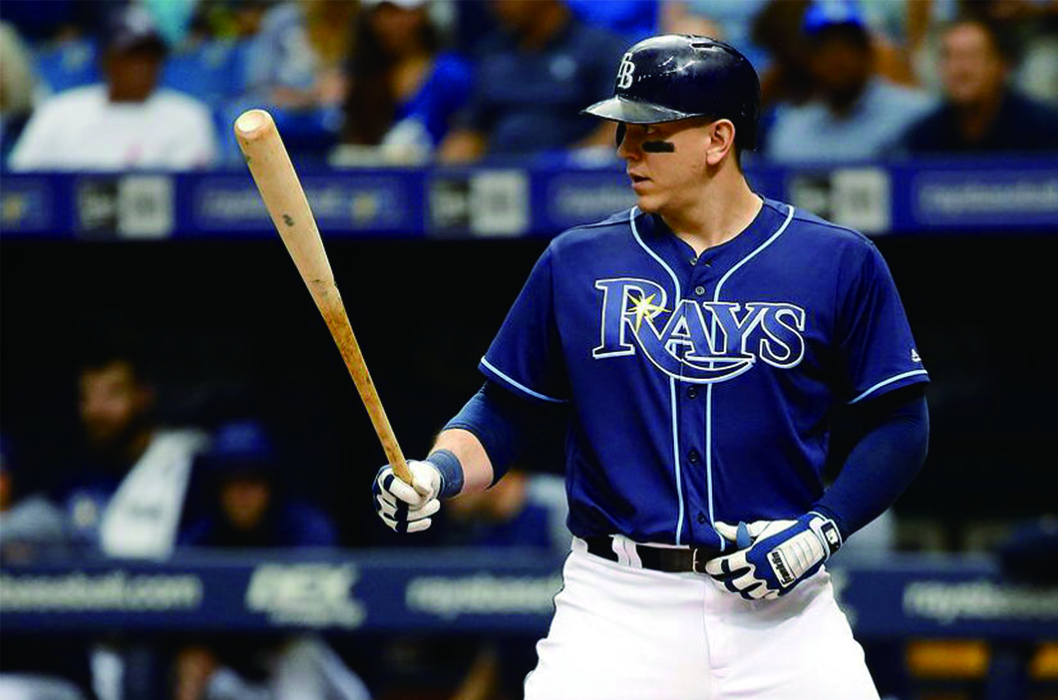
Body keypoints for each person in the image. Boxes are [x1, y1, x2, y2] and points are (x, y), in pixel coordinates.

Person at [374, 34, 930, 699]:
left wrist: (821, 529)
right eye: (623, 130)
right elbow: (506, 408)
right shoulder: (576, 260)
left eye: (650, 133)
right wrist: (437, 472)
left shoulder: (836, 259)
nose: (625, 150)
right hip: (617, 605)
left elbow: (901, 423)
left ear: (719, 139)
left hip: (781, 608)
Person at [175, 420, 369, 700]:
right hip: (240, 676)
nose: (242, 495)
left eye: (252, 481)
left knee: (300, 649)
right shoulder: (201, 540)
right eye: (231, 483)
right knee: (194, 659)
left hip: (316, 678)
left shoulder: (305, 529)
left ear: (270, 484)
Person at [7, 4, 218, 171]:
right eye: (131, 57)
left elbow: (194, 195)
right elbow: (22, 185)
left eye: (150, 57)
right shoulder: (58, 112)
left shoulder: (188, 116)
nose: (142, 67)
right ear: (106, 60)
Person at [438, 0, 626, 163]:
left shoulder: (601, 48)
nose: (496, 3)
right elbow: (470, 129)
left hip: (569, 176)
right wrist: (442, 170)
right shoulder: (491, 52)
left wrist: (583, 161)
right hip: (501, 176)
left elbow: (620, 118)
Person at [763, 0, 934, 163]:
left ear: (867, 52)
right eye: (825, 49)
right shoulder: (790, 127)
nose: (837, 59)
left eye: (847, 46)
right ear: (809, 59)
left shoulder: (915, 115)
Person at [335, 0, 472, 165]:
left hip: (435, 176)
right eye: (381, 13)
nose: (388, 23)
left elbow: (466, 137)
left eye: (397, 12)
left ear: (422, 13)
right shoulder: (360, 76)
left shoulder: (451, 73)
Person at [902, 14, 1058, 154]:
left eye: (972, 57)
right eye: (949, 57)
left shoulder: (1044, 129)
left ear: (1003, 66)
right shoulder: (924, 135)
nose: (959, 70)